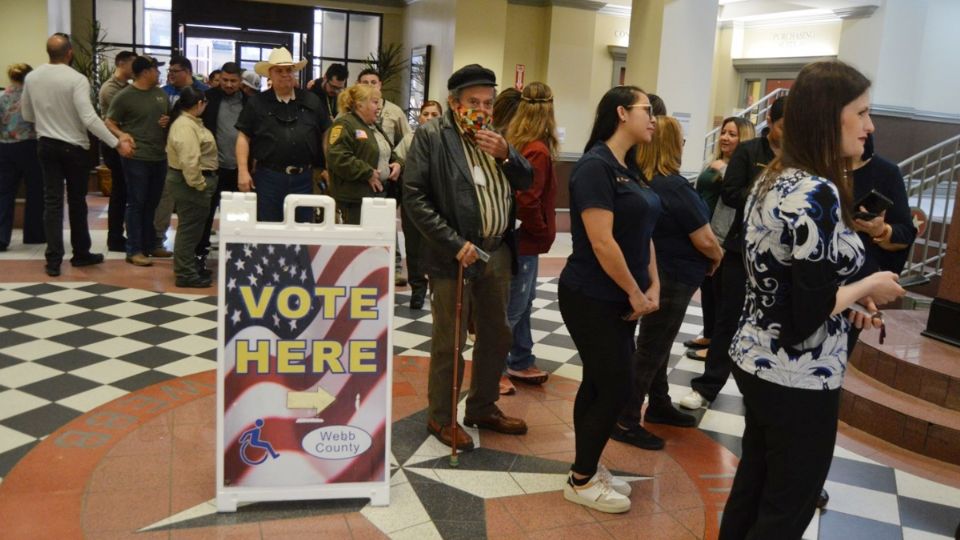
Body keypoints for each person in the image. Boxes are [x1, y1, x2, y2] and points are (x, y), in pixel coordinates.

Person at [718, 60, 905, 539]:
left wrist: (849, 303)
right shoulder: (818, 190)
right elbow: (806, 313)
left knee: (755, 480)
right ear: (828, 117)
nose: (870, 126)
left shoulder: (776, 175)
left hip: (756, 354)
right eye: (861, 113)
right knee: (789, 503)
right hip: (797, 371)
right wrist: (870, 285)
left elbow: (791, 281)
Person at [403, 63, 533, 451]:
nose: (481, 109)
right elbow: (415, 197)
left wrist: (509, 154)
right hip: (453, 255)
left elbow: (527, 181)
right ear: (453, 103)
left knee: (497, 335)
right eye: (473, 102)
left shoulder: (496, 137)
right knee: (450, 340)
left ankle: (482, 406)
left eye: (488, 102)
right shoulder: (431, 137)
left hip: (496, 251)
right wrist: (452, 242)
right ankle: (441, 417)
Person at [559, 85, 659, 514]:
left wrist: (653, 283)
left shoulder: (629, 166)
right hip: (592, 295)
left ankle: (586, 467)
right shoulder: (594, 167)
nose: (653, 118)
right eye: (646, 110)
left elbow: (643, 233)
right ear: (621, 113)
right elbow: (602, 243)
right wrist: (635, 292)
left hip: (623, 296)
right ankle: (581, 481)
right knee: (618, 384)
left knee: (600, 382)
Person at [612, 116, 723, 451]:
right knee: (652, 348)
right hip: (674, 275)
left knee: (654, 343)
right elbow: (704, 238)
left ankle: (658, 403)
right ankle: (625, 418)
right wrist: (717, 256)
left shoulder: (641, 178)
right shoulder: (674, 185)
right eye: (682, 140)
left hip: (653, 271)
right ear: (674, 145)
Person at [680, 96, 784, 411]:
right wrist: (770, 194)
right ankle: (707, 387)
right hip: (741, 249)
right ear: (771, 121)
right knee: (727, 319)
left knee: (774, 322)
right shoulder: (750, 152)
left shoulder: (802, 156)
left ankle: (768, 391)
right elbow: (731, 193)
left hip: (780, 255)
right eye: (784, 126)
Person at [21, 33, 134, 276]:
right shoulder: (77, 79)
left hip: (46, 145)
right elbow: (89, 118)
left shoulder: (32, 78)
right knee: (76, 202)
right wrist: (116, 143)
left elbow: (27, 115)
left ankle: (53, 259)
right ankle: (81, 253)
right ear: (70, 52)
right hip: (74, 148)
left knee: (52, 203)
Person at [501, 82, 558, 392]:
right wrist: (539, 228)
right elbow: (527, 199)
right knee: (514, 306)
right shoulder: (537, 149)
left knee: (523, 302)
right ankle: (493, 371)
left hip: (519, 239)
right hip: (525, 239)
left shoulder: (518, 142)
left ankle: (521, 358)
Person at [685, 117, 756, 360]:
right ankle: (709, 332)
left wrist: (723, 170)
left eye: (732, 134)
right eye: (724, 132)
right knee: (708, 287)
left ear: (744, 138)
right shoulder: (714, 161)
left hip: (724, 234)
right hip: (705, 229)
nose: (725, 137)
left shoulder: (742, 167)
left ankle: (717, 344)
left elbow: (740, 195)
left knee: (721, 291)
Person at [236, 48, 329, 223]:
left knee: (304, 230)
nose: (285, 75)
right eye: (279, 70)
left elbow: (326, 135)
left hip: (304, 178)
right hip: (268, 178)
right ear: (269, 74)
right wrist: (242, 171)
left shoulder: (312, 101)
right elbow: (243, 138)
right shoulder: (256, 103)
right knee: (269, 229)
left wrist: (329, 168)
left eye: (289, 70)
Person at [106, 55, 171, 267]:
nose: (159, 73)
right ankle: (134, 249)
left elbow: (165, 120)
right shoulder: (125, 96)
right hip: (137, 157)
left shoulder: (160, 94)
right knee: (136, 203)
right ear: (145, 72)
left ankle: (150, 244)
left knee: (152, 203)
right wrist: (122, 136)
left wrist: (167, 121)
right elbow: (109, 121)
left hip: (159, 156)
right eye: (156, 69)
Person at [327, 84, 401, 224]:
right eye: (374, 102)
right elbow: (337, 156)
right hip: (355, 201)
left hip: (379, 197)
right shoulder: (344, 125)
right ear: (359, 105)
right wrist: (367, 172)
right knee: (358, 244)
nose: (379, 107)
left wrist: (397, 163)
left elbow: (387, 152)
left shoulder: (373, 126)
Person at [166, 86, 217, 288]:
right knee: (189, 230)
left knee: (193, 229)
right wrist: (200, 184)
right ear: (199, 104)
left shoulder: (190, 122)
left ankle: (189, 268)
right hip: (190, 183)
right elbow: (189, 159)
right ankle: (185, 273)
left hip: (190, 181)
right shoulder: (185, 126)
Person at [156, 56, 209, 250]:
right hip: (170, 154)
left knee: (193, 208)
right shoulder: (163, 93)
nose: (170, 75)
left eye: (174, 71)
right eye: (169, 71)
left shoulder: (203, 92)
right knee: (166, 197)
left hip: (197, 154)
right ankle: (158, 238)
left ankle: (196, 246)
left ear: (187, 71)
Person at [394, 100, 442, 310]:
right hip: (413, 203)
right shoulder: (409, 139)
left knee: (437, 247)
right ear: (419, 117)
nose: (429, 118)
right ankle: (418, 290)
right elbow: (398, 161)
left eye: (434, 114)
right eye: (425, 114)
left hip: (439, 204)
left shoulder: (448, 141)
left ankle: (438, 290)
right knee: (413, 248)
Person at [198, 62, 246, 262]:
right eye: (224, 80)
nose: (228, 84)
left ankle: (238, 254)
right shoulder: (208, 98)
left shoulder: (250, 101)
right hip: (214, 167)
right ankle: (200, 252)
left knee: (239, 215)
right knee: (206, 213)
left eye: (233, 81)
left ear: (240, 81)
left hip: (240, 168)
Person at [0, 63, 45, 251]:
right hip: (29, 146)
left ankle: (2, 238)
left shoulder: (2, 96)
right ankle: (34, 234)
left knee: (4, 193)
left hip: (5, 147)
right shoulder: (33, 97)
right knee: (35, 191)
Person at [99, 50, 137, 253]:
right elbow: (123, 117)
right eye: (133, 64)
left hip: (123, 142)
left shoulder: (126, 87)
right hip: (114, 144)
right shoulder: (110, 89)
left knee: (125, 191)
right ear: (121, 63)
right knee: (119, 192)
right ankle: (114, 238)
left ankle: (122, 235)